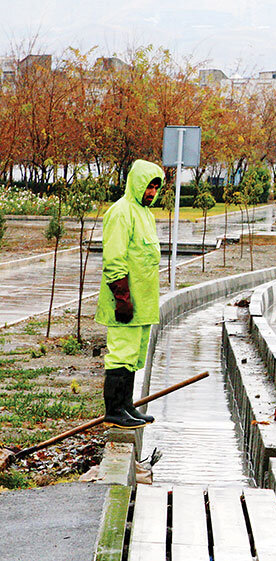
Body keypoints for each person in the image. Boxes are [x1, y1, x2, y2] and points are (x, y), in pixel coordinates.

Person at [95, 159, 165, 429]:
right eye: (148, 187)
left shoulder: (144, 213)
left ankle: (126, 405)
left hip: (143, 304)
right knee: (121, 354)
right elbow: (114, 258)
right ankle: (113, 411)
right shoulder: (121, 212)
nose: (152, 193)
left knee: (134, 355)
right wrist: (122, 297)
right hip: (126, 301)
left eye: (156, 188)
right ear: (137, 184)